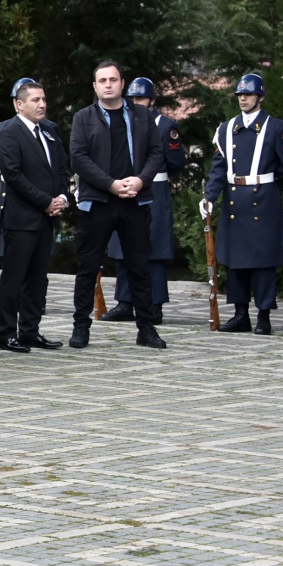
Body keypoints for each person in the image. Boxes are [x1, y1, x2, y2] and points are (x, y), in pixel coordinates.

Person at [70, 61, 166, 350]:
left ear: (122, 83)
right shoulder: (83, 118)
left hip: (134, 201)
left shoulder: (141, 116)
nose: (108, 84)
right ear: (95, 86)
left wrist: (139, 181)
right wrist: (110, 183)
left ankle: (146, 328)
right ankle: (81, 327)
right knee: (88, 267)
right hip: (98, 202)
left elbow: (156, 152)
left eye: (113, 79)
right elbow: (79, 158)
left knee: (139, 266)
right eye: (102, 80)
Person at [203, 72, 283, 335]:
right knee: (236, 261)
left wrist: (269, 181)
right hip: (236, 201)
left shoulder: (276, 127)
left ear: (260, 96)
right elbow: (218, 168)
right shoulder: (226, 129)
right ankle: (240, 314)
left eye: (248, 94)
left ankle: (264, 316)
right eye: (239, 94)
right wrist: (210, 197)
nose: (243, 98)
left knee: (263, 262)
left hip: (263, 200)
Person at [0, 80, 69, 353]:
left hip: (46, 218)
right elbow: (13, 175)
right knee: (14, 279)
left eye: (44, 99)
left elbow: (61, 168)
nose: (42, 104)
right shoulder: (9, 131)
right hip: (21, 219)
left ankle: (30, 331)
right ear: (19, 104)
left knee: (38, 279)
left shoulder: (49, 131)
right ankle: (6, 334)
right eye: (35, 100)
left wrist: (62, 198)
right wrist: (45, 202)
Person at [104, 78, 186, 324]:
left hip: (154, 190)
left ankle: (154, 304)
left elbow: (176, 162)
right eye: (132, 98)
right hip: (125, 189)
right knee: (123, 247)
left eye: (140, 98)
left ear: (151, 100)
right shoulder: (123, 122)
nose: (135, 102)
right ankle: (125, 302)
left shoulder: (165, 126)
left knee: (155, 250)